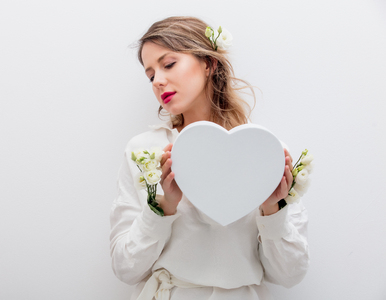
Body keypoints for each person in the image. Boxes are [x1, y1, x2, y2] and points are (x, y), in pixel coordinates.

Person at [110, 16, 309, 300]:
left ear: (208, 63)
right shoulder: (144, 152)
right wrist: (162, 208)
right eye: (151, 74)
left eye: (168, 64)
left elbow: (290, 276)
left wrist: (272, 210)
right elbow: (125, 268)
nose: (158, 81)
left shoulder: (265, 153)